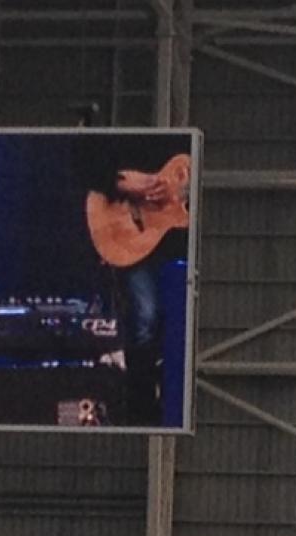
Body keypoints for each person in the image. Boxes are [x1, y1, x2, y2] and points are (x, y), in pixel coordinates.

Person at [84, 147, 191, 426]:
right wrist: (121, 182)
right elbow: (88, 162)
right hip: (131, 240)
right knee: (145, 317)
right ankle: (141, 408)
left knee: (173, 324)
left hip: (173, 248)